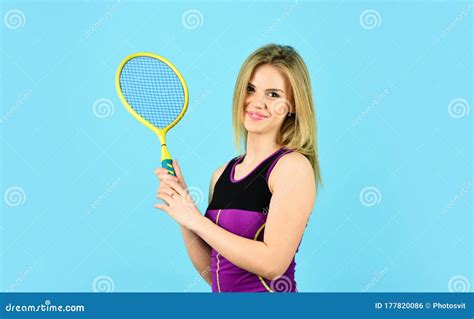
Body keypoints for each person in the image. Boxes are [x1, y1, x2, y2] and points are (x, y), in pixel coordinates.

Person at [154, 44, 321, 292]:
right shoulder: (220, 175)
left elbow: (273, 263)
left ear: (293, 105)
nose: (257, 102)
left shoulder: (292, 168)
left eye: (273, 94)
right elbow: (214, 273)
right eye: (250, 89)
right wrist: (184, 212)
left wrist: (197, 221)